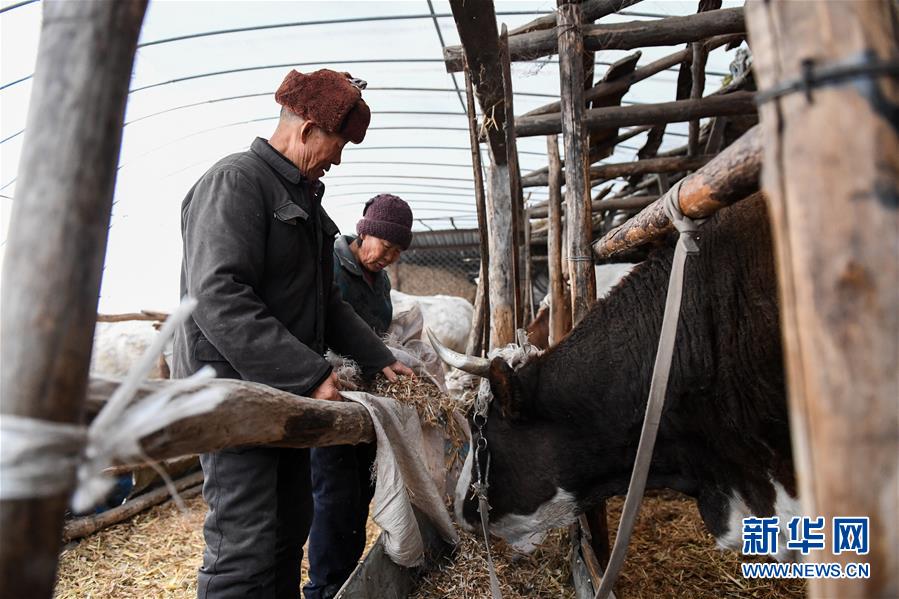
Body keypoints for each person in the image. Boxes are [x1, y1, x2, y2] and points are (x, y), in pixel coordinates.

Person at [171, 69, 413, 599]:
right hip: (231, 395)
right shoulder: (235, 182)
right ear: (306, 130)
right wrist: (310, 375)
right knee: (246, 542)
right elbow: (219, 296)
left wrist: (380, 357)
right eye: (337, 144)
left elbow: (326, 303)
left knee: (288, 530)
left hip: (279, 399)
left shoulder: (306, 205)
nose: (339, 159)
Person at [304, 193, 413, 599]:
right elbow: (318, 325)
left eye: (398, 251)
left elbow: (375, 335)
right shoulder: (330, 262)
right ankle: (325, 589)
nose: (390, 256)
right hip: (330, 394)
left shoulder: (380, 280)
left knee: (360, 495)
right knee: (334, 496)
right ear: (365, 232)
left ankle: (348, 582)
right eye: (386, 246)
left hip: (366, 400)